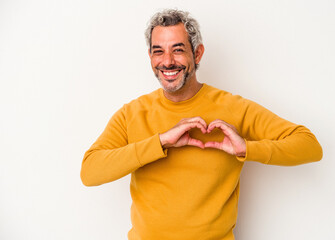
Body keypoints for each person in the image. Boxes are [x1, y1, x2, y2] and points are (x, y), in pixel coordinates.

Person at [81, 9, 322, 240]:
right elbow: (90, 171)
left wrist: (246, 149)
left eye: (178, 50)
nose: (167, 61)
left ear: (197, 54)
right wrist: (160, 142)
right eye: (158, 51)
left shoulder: (233, 108)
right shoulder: (131, 114)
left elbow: (309, 145)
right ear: (150, 57)